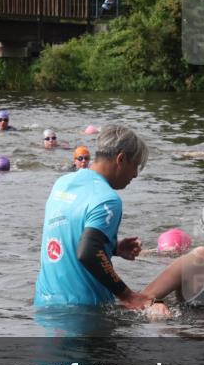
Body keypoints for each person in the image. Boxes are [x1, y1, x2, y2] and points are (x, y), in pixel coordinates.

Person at [33, 125, 151, 309]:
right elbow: (87, 252)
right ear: (121, 159)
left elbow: (66, 235)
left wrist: (111, 248)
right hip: (84, 311)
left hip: (45, 303)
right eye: (135, 166)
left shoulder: (62, 183)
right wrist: (129, 296)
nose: (135, 174)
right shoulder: (108, 199)